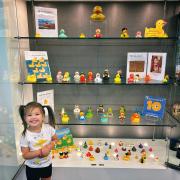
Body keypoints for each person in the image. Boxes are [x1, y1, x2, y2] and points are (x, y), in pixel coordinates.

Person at [19, 101, 58, 180]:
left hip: (47, 164)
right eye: (29, 115)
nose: (33, 117)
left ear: (43, 116)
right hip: (32, 167)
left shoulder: (49, 128)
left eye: (37, 114)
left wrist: (49, 146)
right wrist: (40, 152)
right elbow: (25, 155)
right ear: (24, 118)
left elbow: (55, 139)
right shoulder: (25, 135)